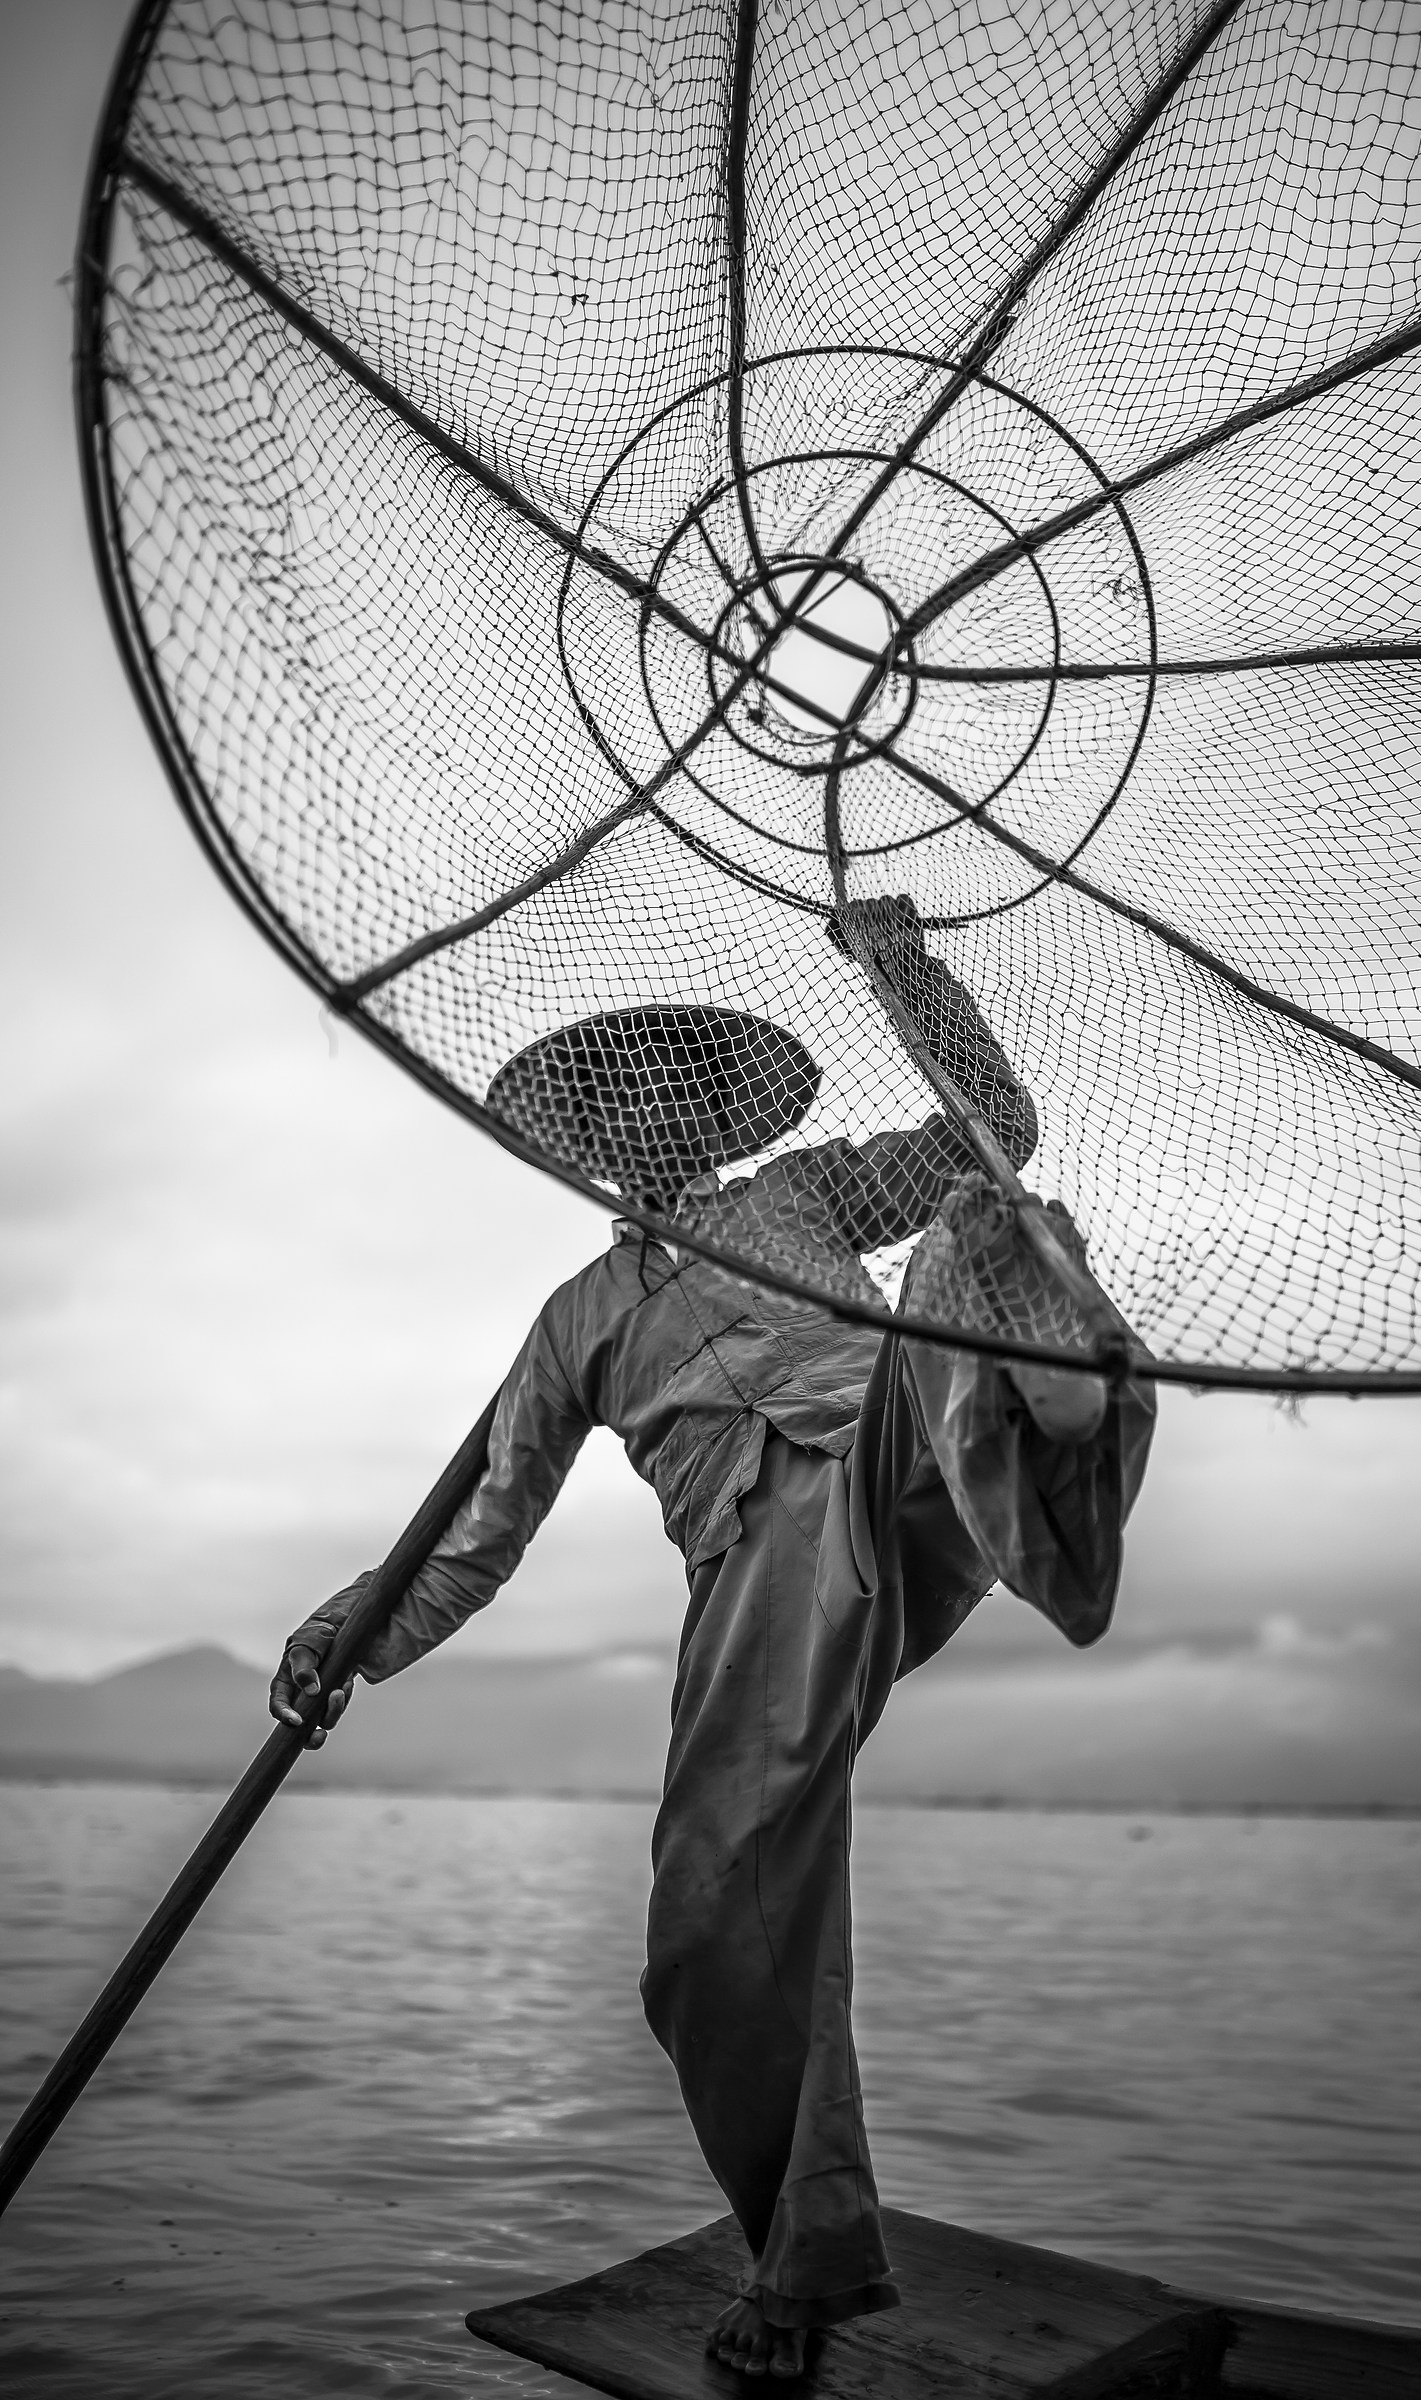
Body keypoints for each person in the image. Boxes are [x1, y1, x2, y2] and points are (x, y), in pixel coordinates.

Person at [269, 896, 1156, 2379]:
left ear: (716, 1107)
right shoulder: (574, 1324)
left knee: (981, 1226)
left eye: (680, 1084)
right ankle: (802, 2265)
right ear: (597, 1137)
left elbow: (998, 1117)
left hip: (892, 1452)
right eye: (627, 1096)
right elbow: (475, 1541)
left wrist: (899, 970)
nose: (656, 1111)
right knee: (704, 1938)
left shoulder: (801, 1194)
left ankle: (1055, 1467)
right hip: (753, 1580)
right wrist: (338, 1643)